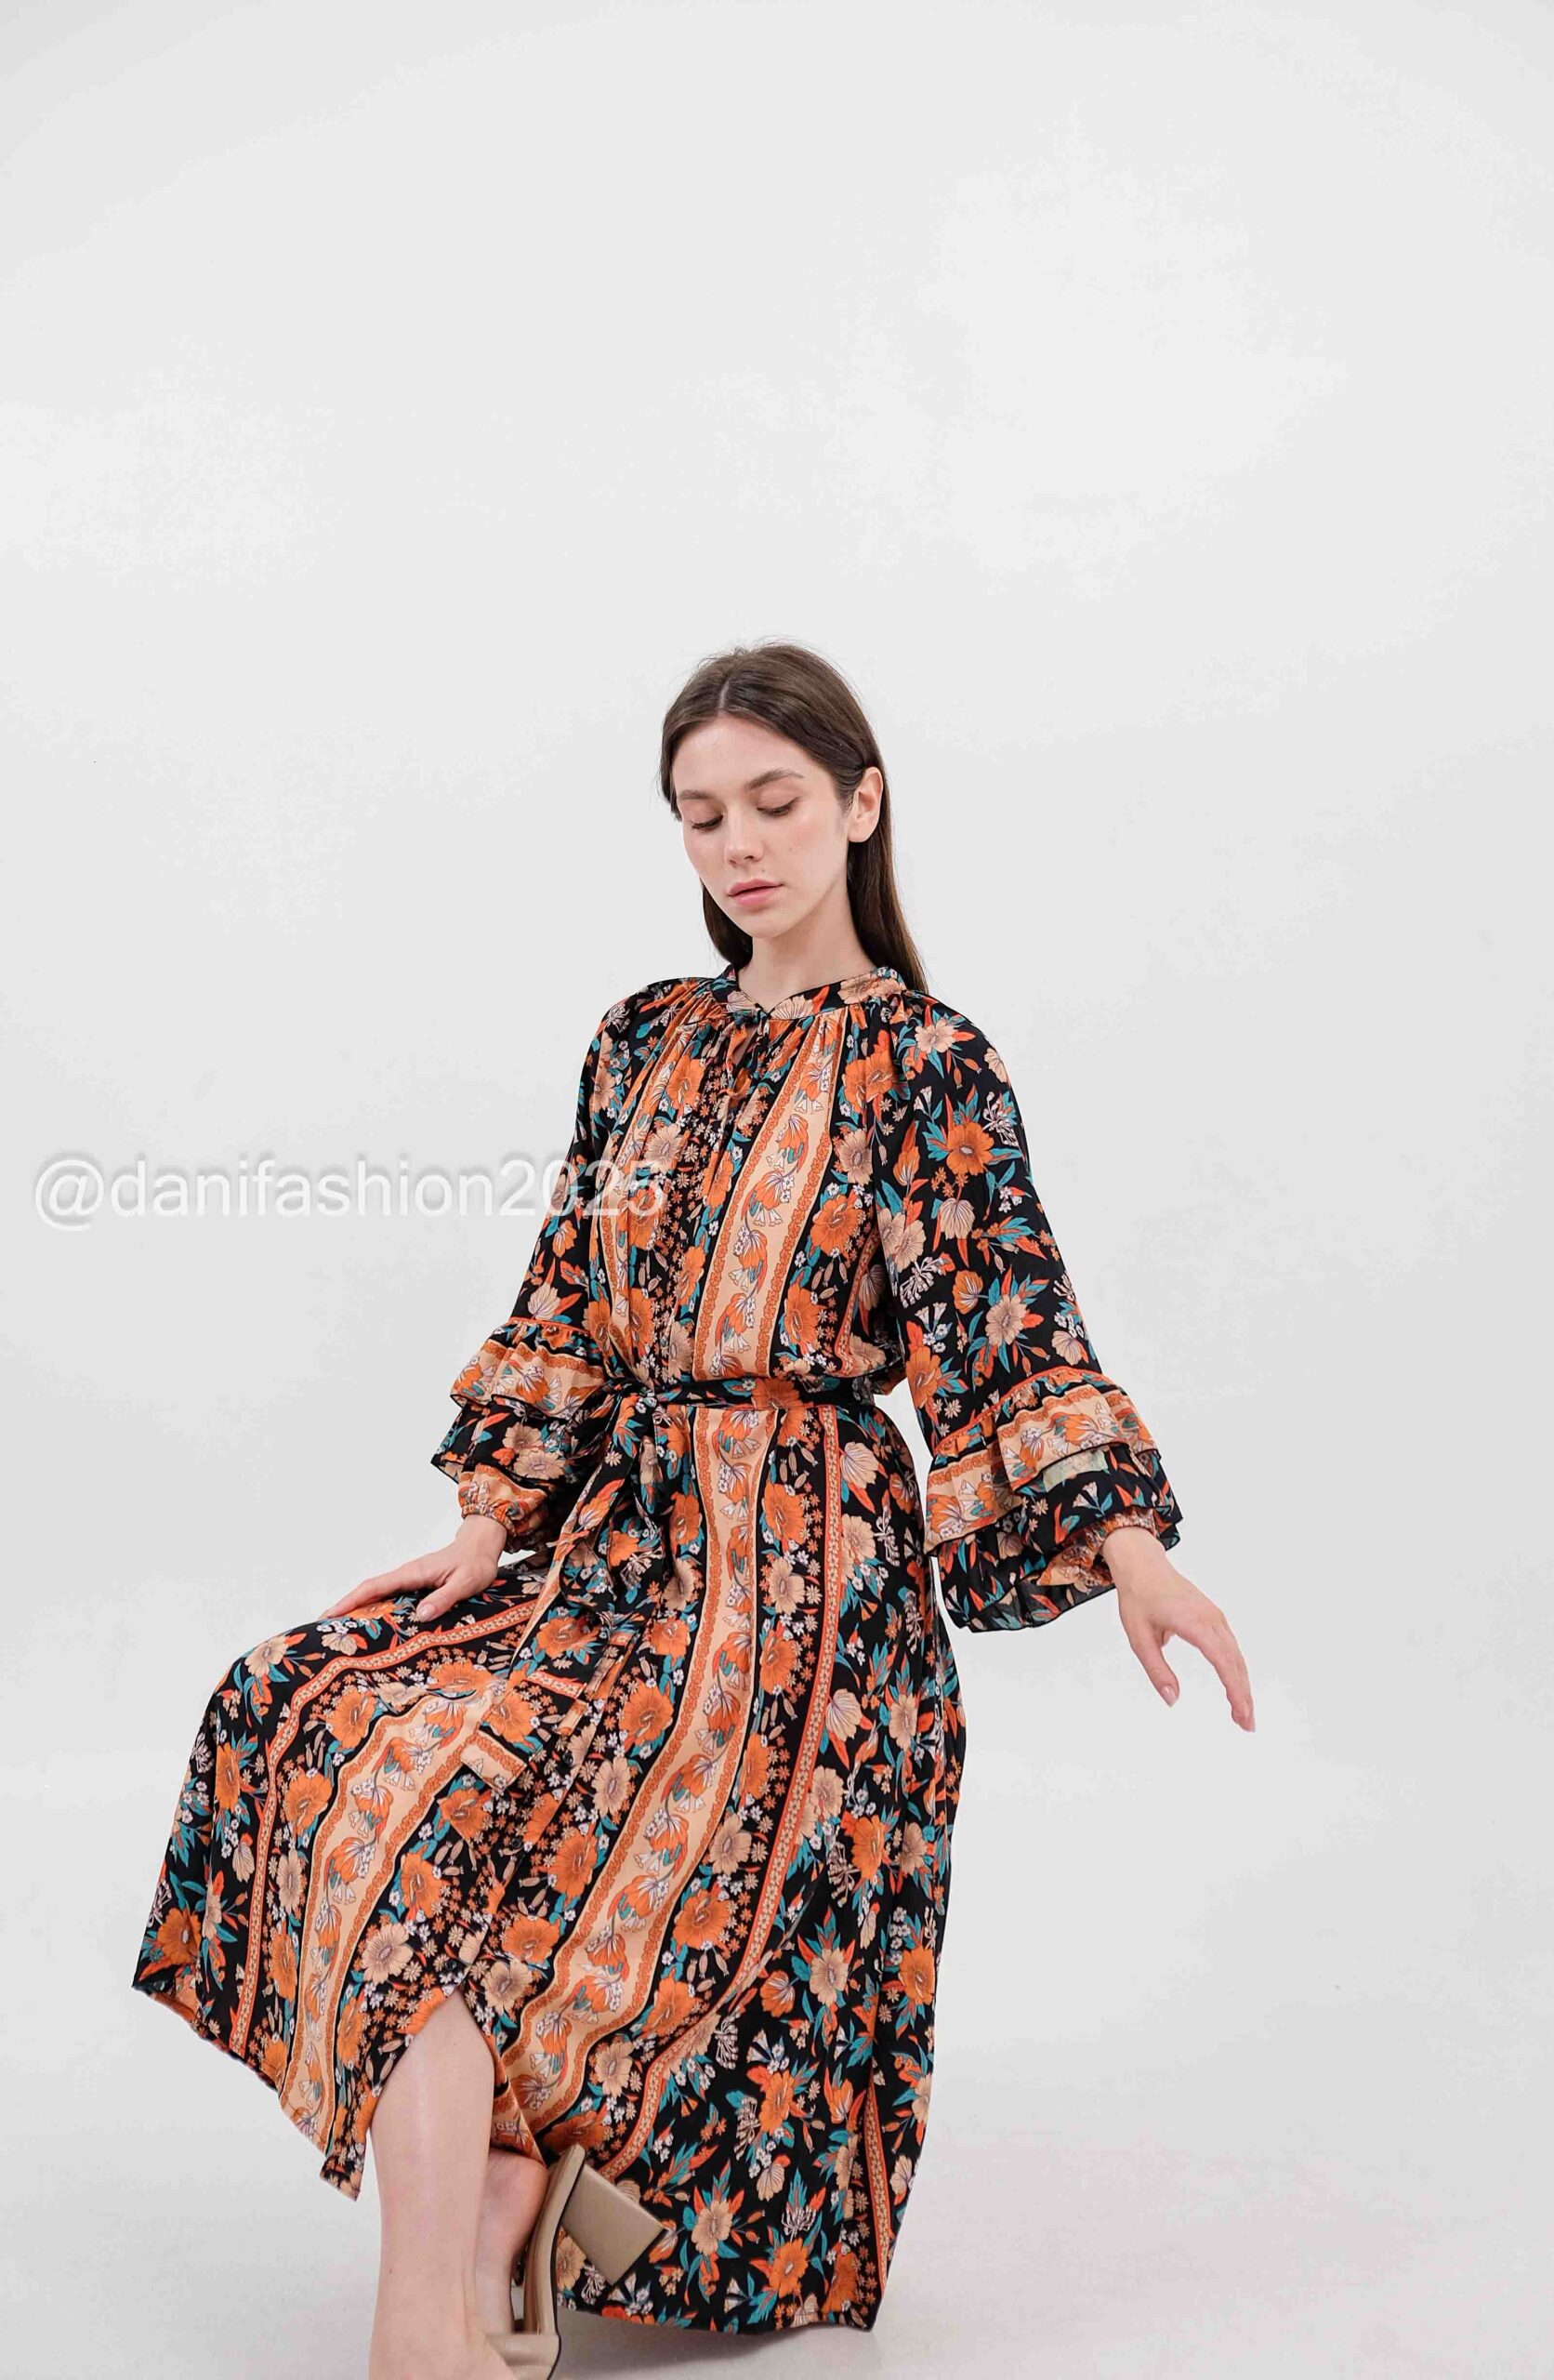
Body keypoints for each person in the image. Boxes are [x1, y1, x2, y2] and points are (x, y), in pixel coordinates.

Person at [132, 641, 1254, 2379]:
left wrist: (1137, 1555)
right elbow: (571, 1299)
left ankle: (441, 2306)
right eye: (700, 813)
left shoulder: (927, 1065)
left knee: (506, 1868)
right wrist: (488, 1524)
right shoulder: (642, 1038)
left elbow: (1012, 1330)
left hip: (805, 1596)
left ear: (862, 804)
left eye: (774, 802)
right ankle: (479, 2230)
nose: (739, 844)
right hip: (618, 1551)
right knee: (314, 1718)